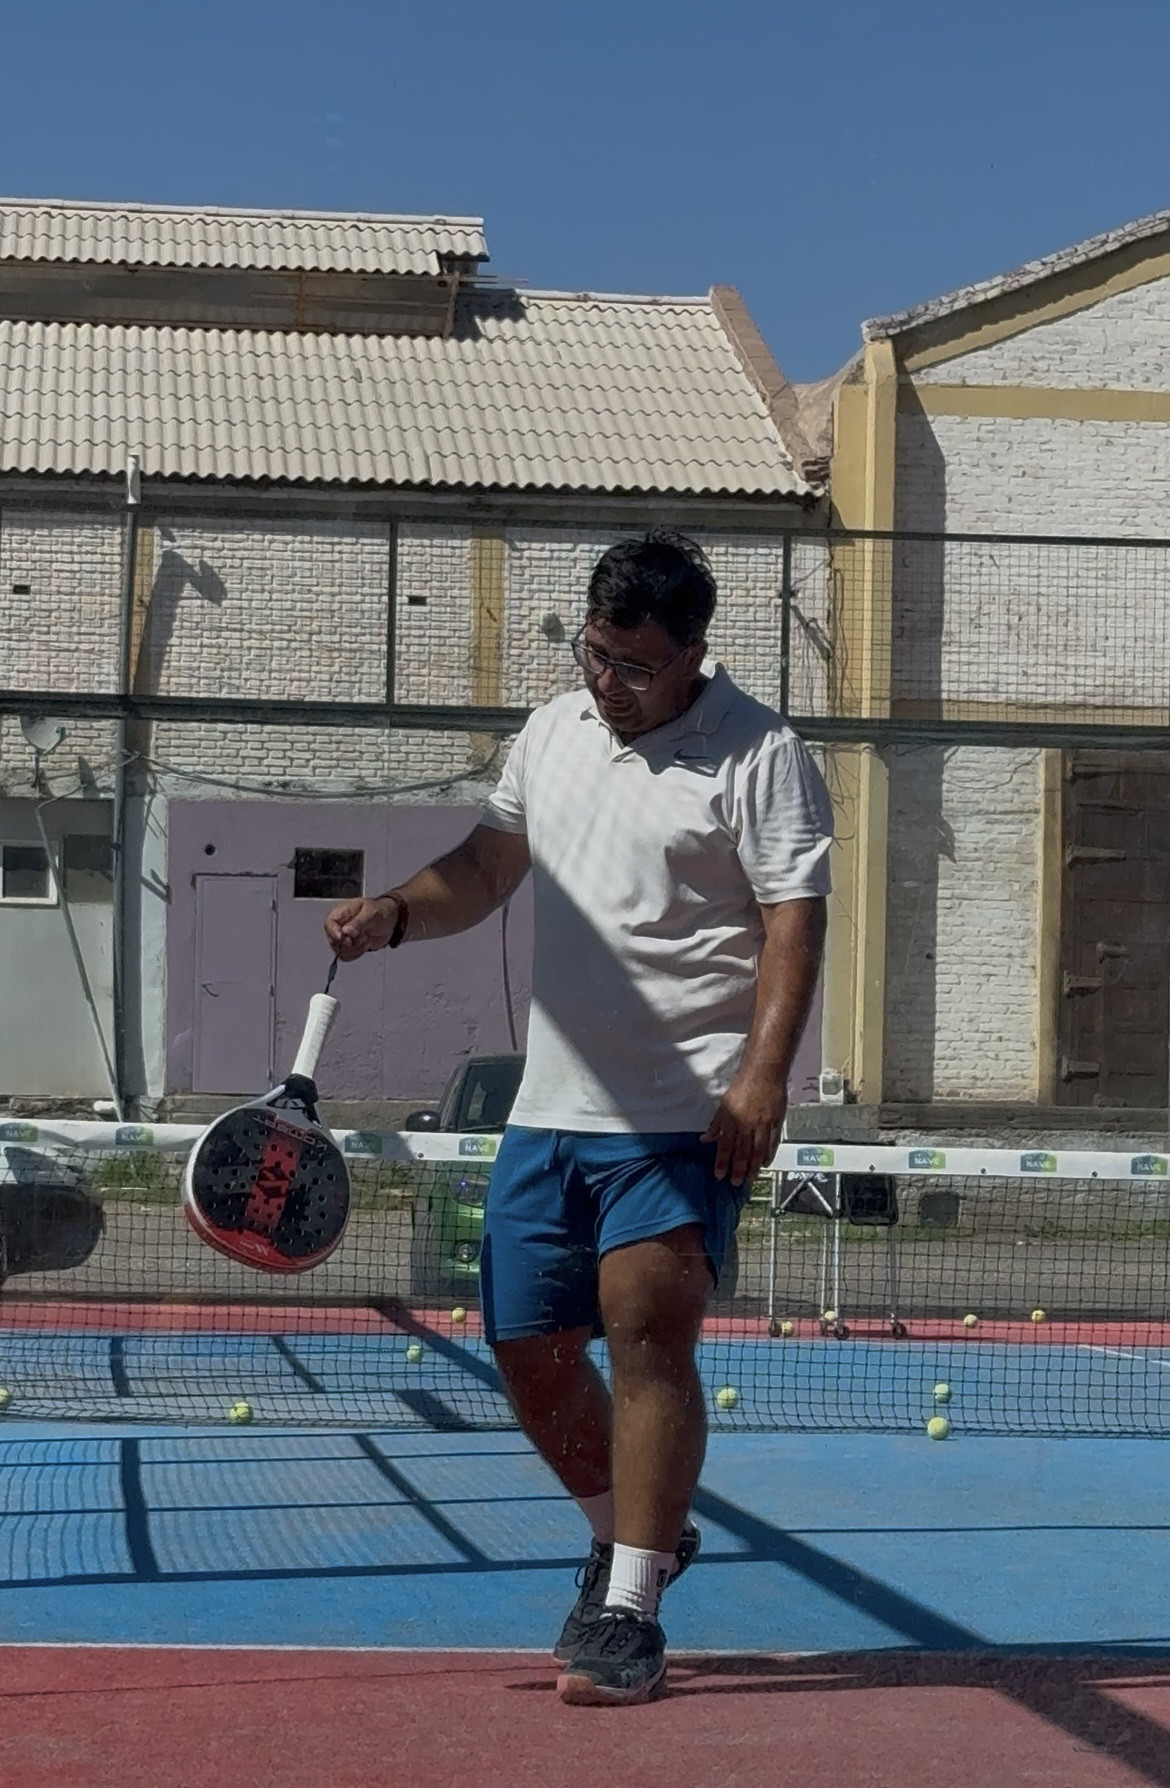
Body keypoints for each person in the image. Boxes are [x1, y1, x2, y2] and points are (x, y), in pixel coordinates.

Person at [325, 531, 832, 1705]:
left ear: (694, 653)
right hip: (551, 1110)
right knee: (525, 1345)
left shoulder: (762, 755)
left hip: (681, 1113)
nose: (609, 682)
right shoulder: (553, 732)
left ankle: (630, 1609)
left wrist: (764, 1078)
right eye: (596, 655)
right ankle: (630, 1535)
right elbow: (484, 867)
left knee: (649, 1333)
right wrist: (394, 912)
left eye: (635, 666)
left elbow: (794, 923)